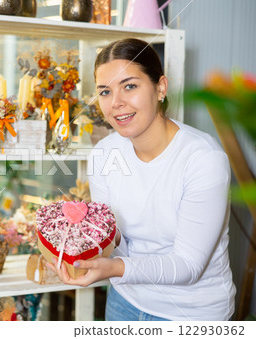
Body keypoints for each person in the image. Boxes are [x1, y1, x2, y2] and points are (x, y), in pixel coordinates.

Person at [48, 38, 235, 321]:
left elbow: (188, 265)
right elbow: (116, 236)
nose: (117, 103)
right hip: (125, 301)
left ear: (160, 87)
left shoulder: (203, 158)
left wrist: (113, 268)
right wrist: (77, 238)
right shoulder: (104, 153)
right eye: (105, 92)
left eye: (130, 86)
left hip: (191, 313)